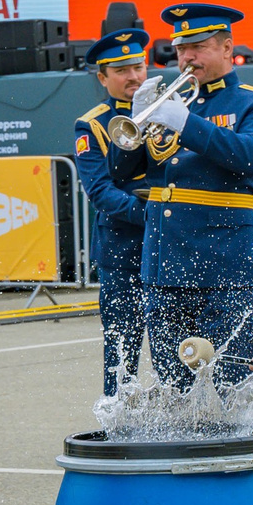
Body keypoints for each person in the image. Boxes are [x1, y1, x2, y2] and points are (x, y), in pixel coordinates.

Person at [132, 4, 253, 386]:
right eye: (181, 49)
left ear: (228, 48)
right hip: (167, 261)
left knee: (226, 377)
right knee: (173, 380)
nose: (187, 57)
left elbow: (250, 156)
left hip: (225, 261)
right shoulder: (172, 104)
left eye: (199, 47)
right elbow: (129, 173)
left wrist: (186, 123)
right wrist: (137, 118)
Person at [69, 27, 157, 393]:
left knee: (178, 349)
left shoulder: (171, 111)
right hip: (123, 252)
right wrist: (157, 217)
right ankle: (117, 425)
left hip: (175, 247)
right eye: (121, 70)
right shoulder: (92, 125)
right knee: (121, 352)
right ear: (103, 78)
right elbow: (102, 192)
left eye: (138, 66)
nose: (133, 76)